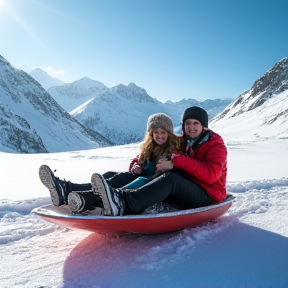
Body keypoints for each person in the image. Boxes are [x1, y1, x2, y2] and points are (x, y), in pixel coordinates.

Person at [90, 106, 228, 216]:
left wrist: (176, 161)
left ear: (204, 126)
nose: (191, 127)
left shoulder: (215, 145)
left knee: (170, 179)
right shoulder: (184, 142)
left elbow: (211, 175)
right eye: (187, 123)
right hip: (189, 187)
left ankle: (124, 203)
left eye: (195, 123)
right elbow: (154, 151)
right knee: (157, 177)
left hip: (208, 195)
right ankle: (96, 198)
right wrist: (139, 163)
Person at [39, 113, 180, 213]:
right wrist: (136, 165)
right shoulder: (149, 147)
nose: (159, 136)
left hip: (150, 185)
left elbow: (173, 171)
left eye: (163, 132)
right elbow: (139, 160)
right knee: (112, 176)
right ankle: (67, 189)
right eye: (156, 132)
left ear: (169, 133)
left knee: (124, 184)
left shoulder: (174, 149)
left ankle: (87, 198)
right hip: (140, 176)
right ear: (151, 133)